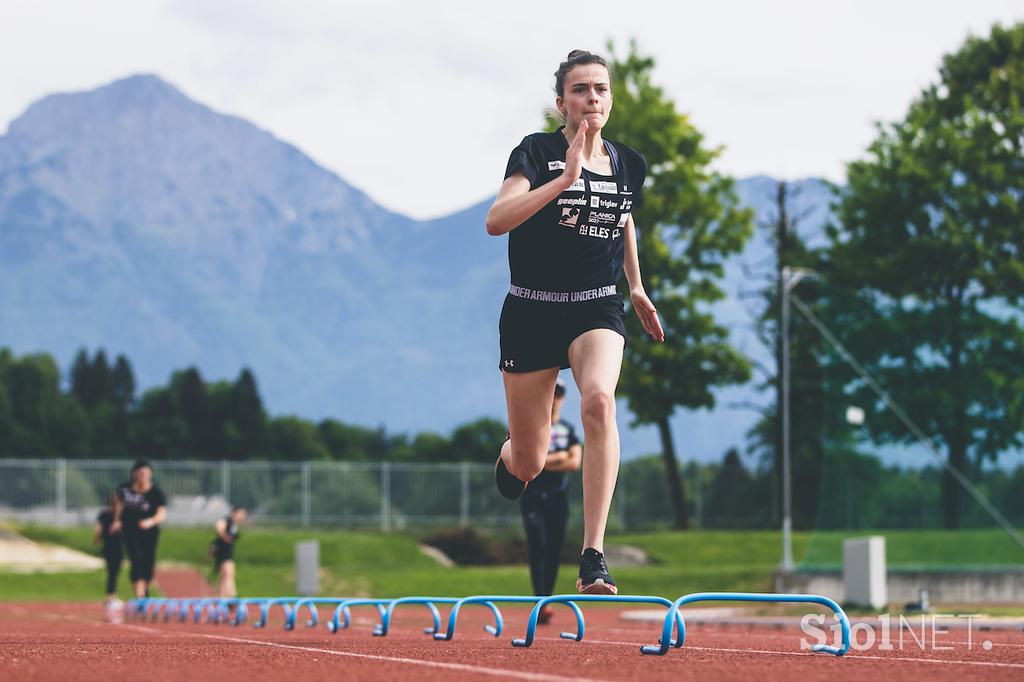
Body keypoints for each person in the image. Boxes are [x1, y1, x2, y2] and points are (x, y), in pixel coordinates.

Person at [487, 49, 664, 595]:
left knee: (598, 401)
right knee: (530, 464)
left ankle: (593, 557)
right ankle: (510, 455)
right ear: (560, 102)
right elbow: (497, 222)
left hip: (596, 306)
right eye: (582, 89)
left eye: (601, 89)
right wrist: (561, 182)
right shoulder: (536, 153)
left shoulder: (628, 162)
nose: (592, 98)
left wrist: (634, 284)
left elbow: (623, 214)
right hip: (532, 309)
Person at [521, 378, 581, 623]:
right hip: (532, 496)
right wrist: (559, 457)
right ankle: (540, 599)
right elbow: (524, 459)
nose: (554, 398)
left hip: (558, 496)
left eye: (559, 393)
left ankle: (547, 598)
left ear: (563, 398)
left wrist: (543, 459)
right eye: (551, 392)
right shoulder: (529, 427)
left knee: (555, 547)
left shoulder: (568, 430)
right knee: (538, 543)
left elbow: (575, 462)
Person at [111, 459, 167, 598]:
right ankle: (139, 594)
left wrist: (151, 521)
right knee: (136, 560)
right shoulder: (125, 488)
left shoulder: (156, 492)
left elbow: (162, 514)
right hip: (130, 530)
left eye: (146, 473)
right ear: (134, 474)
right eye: (140, 473)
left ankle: (145, 590)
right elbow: (117, 501)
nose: (143, 476)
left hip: (149, 531)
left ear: (150, 474)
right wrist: (117, 520)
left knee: (148, 563)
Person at [93, 492, 123, 610]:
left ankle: (111, 597)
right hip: (115, 547)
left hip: (108, 547)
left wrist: (96, 540)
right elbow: (98, 529)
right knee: (113, 573)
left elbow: (97, 530)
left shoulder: (105, 514)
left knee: (112, 572)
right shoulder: (116, 515)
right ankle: (110, 598)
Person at [210, 505, 247, 598]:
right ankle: (232, 595)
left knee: (224, 576)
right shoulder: (228, 520)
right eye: (241, 514)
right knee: (230, 571)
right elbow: (219, 526)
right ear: (235, 513)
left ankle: (220, 598)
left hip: (226, 551)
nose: (243, 516)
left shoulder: (234, 524)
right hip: (222, 551)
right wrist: (226, 537)